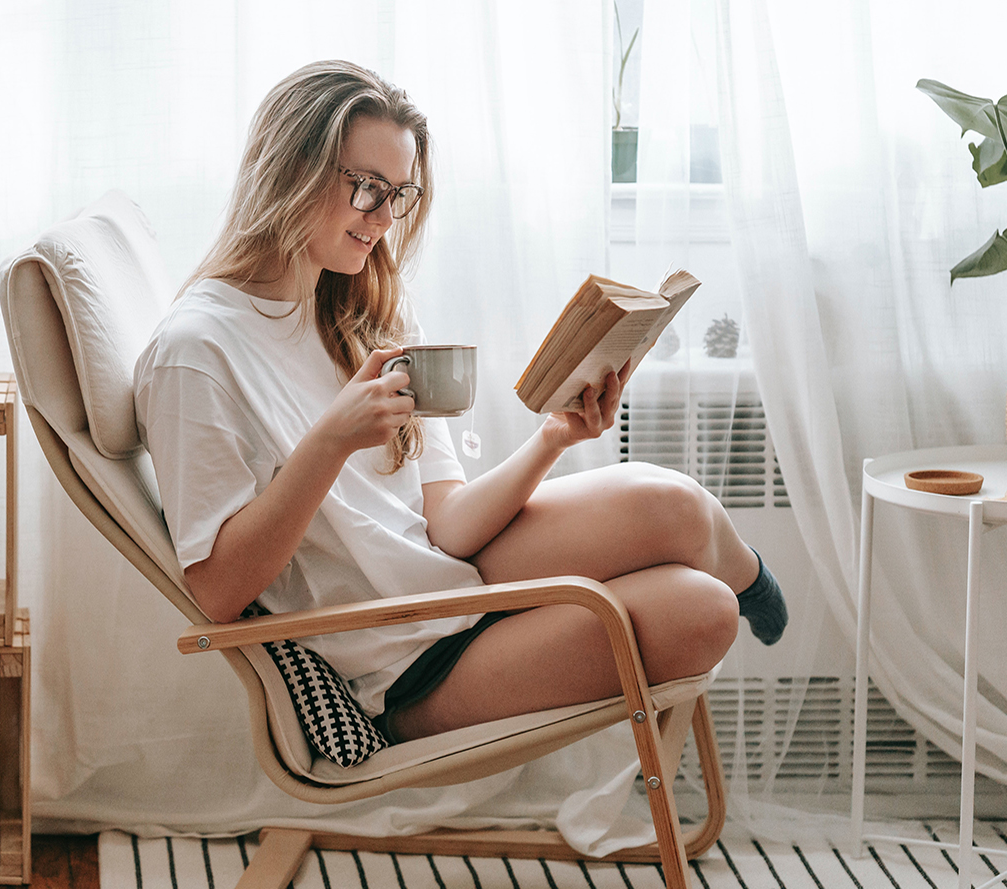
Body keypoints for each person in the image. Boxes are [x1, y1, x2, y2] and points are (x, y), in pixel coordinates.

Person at [132, 60, 786, 746]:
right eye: (367, 188)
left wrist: (553, 438)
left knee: (676, 506)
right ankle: (739, 589)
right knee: (703, 612)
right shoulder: (196, 350)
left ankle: (756, 583)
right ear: (290, 170)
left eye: (400, 194)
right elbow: (214, 592)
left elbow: (444, 521)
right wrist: (330, 442)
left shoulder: (357, 311)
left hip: (453, 580)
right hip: (405, 664)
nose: (385, 218)